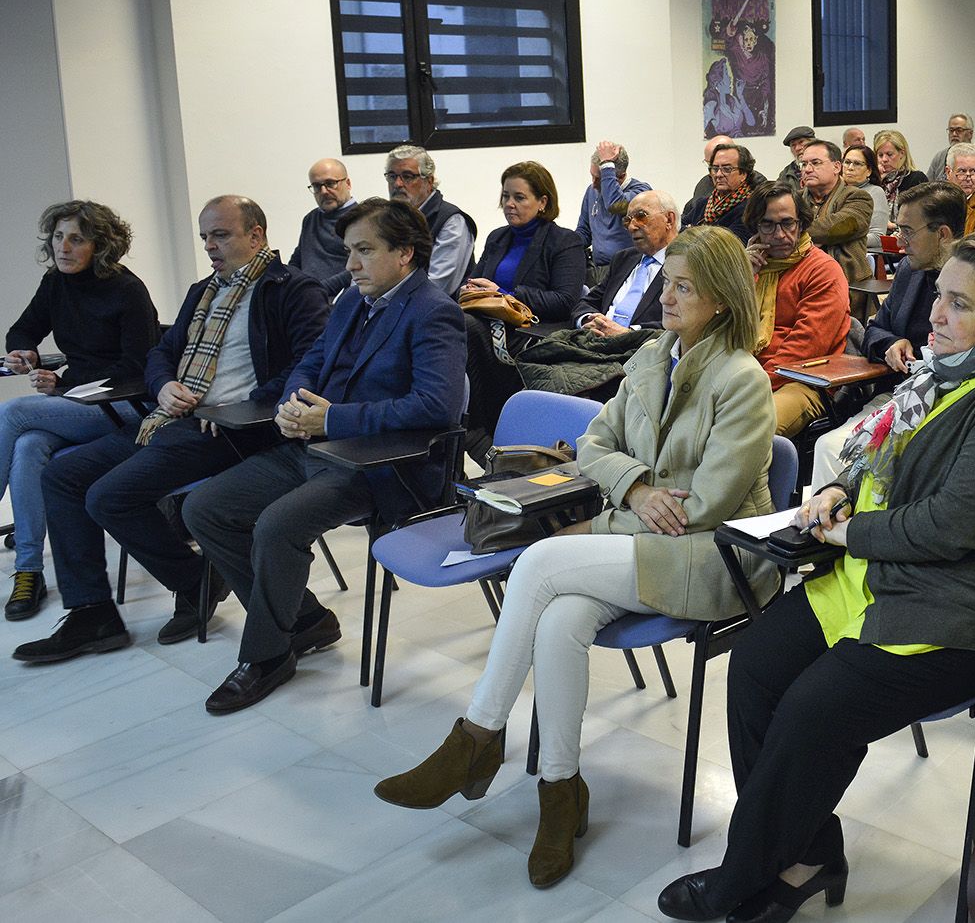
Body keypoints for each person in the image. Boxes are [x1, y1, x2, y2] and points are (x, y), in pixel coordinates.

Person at [656, 231, 975, 923]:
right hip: (881, 578)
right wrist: (841, 488)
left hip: (962, 607)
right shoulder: (941, 375)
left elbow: (950, 527)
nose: (935, 316)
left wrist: (846, 530)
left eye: (959, 304)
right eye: (938, 296)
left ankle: (745, 875)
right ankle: (809, 852)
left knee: (812, 709)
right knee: (757, 667)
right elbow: (884, 450)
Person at [376, 225, 776, 889]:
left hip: (716, 558)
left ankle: (475, 739)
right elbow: (591, 445)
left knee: (537, 564)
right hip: (646, 534)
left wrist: (619, 508)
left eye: (683, 287)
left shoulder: (742, 381)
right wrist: (639, 487)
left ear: (722, 302)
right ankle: (561, 790)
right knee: (560, 619)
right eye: (666, 281)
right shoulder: (653, 356)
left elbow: (704, 505)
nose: (666, 296)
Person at [14, 196, 328, 663]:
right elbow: (160, 353)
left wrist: (245, 404)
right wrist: (163, 387)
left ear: (256, 235)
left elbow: (310, 363)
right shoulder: (204, 290)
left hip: (234, 427)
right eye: (204, 236)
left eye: (220, 235)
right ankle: (92, 613)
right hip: (174, 418)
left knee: (106, 495)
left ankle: (200, 580)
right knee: (61, 476)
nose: (210, 246)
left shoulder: (291, 290)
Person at [182, 197, 465, 714]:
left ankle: (267, 656)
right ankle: (305, 619)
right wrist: (294, 403)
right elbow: (309, 361)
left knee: (276, 525)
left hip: (380, 464)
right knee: (204, 509)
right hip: (315, 445)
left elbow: (435, 406)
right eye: (348, 251)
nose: (350, 265)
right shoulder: (354, 301)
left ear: (404, 253)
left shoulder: (433, 312)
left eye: (363, 251)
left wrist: (332, 418)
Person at [2, 201, 158, 621]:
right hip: (77, 403)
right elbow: (22, 329)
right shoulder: (55, 283)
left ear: (100, 246)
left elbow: (137, 368)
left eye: (76, 239)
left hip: (124, 407)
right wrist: (22, 351)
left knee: (14, 413)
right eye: (57, 237)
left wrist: (64, 384)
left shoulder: (127, 290)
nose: (63, 247)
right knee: (29, 446)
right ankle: (29, 570)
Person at [809, 182, 965, 489]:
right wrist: (892, 343)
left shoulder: (974, 285)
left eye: (907, 231)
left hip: (947, 404)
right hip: (896, 394)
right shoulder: (910, 270)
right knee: (828, 448)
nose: (899, 242)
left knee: (835, 450)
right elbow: (874, 331)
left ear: (943, 234)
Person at [460, 162, 585, 443]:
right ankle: (464, 427)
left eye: (519, 197)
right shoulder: (497, 237)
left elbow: (565, 301)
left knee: (465, 327)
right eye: (505, 196)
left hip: (531, 331)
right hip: (486, 322)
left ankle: (477, 431)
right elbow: (476, 282)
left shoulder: (565, 241)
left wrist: (506, 294)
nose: (509, 204)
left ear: (542, 202)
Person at [744, 183, 849, 438]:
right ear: (756, 227)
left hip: (802, 381)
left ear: (801, 224)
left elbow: (805, 348)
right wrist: (741, 279)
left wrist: (746, 387)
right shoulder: (750, 266)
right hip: (745, 372)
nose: (779, 235)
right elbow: (720, 327)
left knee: (749, 430)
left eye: (787, 223)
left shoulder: (823, 270)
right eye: (768, 225)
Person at [575, 190, 680, 335]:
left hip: (643, 350)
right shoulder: (623, 259)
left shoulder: (687, 265)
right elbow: (588, 302)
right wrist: (588, 320)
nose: (631, 227)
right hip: (597, 342)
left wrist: (628, 333)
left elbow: (684, 322)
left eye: (641, 216)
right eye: (627, 220)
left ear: (669, 219)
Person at [384, 144, 477, 296]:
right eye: (392, 176)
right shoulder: (385, 218)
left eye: (407, 176)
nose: (397, 184)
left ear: (429, 181)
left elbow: (438, 286)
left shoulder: (452, 221)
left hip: (434, 312)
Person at [572, 140, 651, 286]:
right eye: (592, 176)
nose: (594, 184)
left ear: (619, 177)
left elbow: (615, 205)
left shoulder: (641, 193)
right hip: (596, 271)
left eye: (600, 179)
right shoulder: (591, 191)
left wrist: (607, 164)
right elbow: (584, 232)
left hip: (627, 271)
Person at [800, 140, 874, 286]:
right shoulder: (794, 200)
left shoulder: (858, 197)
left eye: (815, 163)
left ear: (836, 167)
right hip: (800, 281)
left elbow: (835, 228)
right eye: (804, 164)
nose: (807, 169)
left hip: (847, 285)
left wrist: (795, 233)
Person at [289, 157, 355, 298]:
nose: (324, 191)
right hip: (307, 299)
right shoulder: (310, 218)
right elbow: (297, 259)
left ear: (348, 183)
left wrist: (318, 289)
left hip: (340, 300)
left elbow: (361, 267)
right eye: (317, 186)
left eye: (331, 183)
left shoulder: (362, 219)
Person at [682, 140, 756, 244]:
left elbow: (726, 245)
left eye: (727, 169)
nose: (719, 174)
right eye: (715, 168)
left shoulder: (751, 208)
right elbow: (677, 229)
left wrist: (691, 230)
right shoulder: (703, 203)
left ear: (743, 174)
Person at [871, 130, 927, 226]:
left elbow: (919, 218)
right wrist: (877, 181)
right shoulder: (872, 180)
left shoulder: (916, 178)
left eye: (889, 154)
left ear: (901, 153)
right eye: (880, 155)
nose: (884, 159)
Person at [840, 144, 888, 240]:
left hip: (860, 253)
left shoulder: (875, 192)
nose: (850, 167)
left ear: (869, 171)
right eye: (847, 162)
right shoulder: (832, 190)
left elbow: (878, 237)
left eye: (857, 164)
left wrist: (838, 240)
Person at [926, 113, 974, 181]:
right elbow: (928, 184)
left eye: (959, 130)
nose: (954, 134)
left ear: (970, 134)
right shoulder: (940, 156)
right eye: (951, 130)